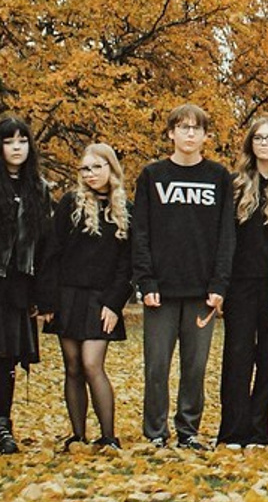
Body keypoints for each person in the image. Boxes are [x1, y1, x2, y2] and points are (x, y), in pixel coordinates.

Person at [132, 103, 236, 450]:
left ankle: (188, 431)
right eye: (183, 127)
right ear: (171, 133)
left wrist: (219, 285)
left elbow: (226, 236)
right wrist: (146, 282)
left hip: (201, 293)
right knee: (157, 366)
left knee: (195, 368)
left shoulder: (219, 177)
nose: (190, 134)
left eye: (197, 128)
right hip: (159, 291)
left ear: (206, 136)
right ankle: (156, 433)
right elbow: (140, 232)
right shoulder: (152, 175)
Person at [41, 144, 132, 449]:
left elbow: (126, 265)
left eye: (97, 167)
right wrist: (48, 301)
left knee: (93, 363)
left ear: (111, 168)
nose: (90, 174)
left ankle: (109, 437)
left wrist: (114, 303)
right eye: (85, 168)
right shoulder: (71, 203)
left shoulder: (124, 209)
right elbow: (52, 252)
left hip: (101, 299)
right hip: (67, 295)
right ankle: (78, 436)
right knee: (73, 366)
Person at [217, 116, 268, 449]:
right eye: (258, 138)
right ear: (250, 143)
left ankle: (259, 430)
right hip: (240, 283)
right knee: (237, 356)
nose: (264, 143)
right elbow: (222, 238)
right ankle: (233, 431)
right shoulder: (234, 184)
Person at [0, 117, 51, 454]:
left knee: (6, 358)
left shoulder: (39, 188)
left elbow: (46, 244)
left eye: (22, 141)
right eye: (8, 141)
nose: (16, 148)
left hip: (19, 283)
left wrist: (41, 294)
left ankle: (3, 425)